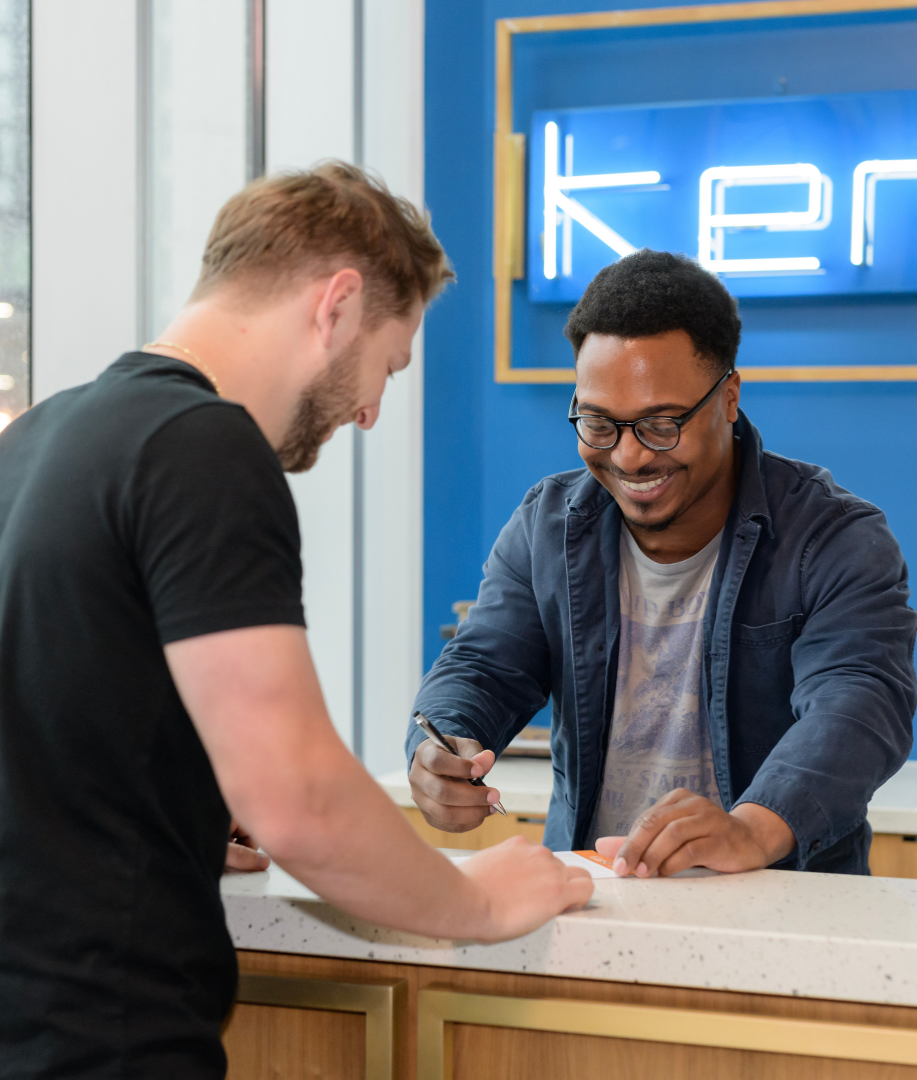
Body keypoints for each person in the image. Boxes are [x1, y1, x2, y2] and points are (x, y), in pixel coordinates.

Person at [0, 163, 592, 1080]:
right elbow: (301, 799)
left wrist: (188, 805)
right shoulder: (203, 448)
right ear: (338, 305)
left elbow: (59, 731)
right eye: (386, 366)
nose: (367, 411)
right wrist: (476, 900)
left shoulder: (41, 438)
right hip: (105, 1038)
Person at [407, 249, 917, 880]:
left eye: (660, 424)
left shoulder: (832, 537)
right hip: (596, 904)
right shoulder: (548, 525)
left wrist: (752, 829)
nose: (629, 458)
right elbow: (483, 664)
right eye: (599, 423)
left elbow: (860, 701)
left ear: (728, 398)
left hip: (783, 909)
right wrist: (438, 747)